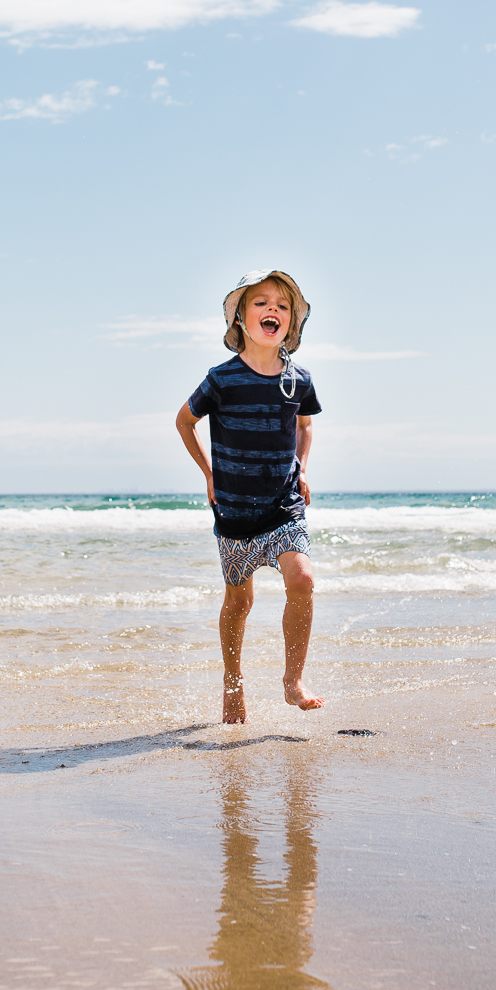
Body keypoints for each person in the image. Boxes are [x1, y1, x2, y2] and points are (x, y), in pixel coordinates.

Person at [175, 270, 325, 724]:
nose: (272, 310)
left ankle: (292, 681)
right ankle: (233, 687)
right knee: (239, 602)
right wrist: (208, 474)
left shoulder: (298, 379)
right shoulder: (221, 380)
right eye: (260, 303)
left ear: (291, 321)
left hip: (283, 504)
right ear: (240, 318)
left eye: (281, 304)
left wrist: (301, 466)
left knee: (302, 580)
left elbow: (305, 426)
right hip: (235, 510)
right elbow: (184, 421)